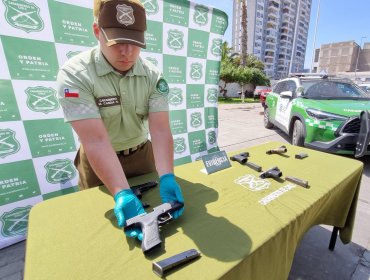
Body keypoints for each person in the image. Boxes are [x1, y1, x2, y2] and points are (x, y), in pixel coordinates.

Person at [57, 0, 184, 241]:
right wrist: (121, 192)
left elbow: (159, 130)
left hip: (141, 155)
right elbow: (95, 140)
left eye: (135, 43)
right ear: (97, 31)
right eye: (117, 42)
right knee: (100, 234)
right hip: (97, 163)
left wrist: (167, 175)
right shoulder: (74, 75)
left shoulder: (153, 76)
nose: (127, 52)